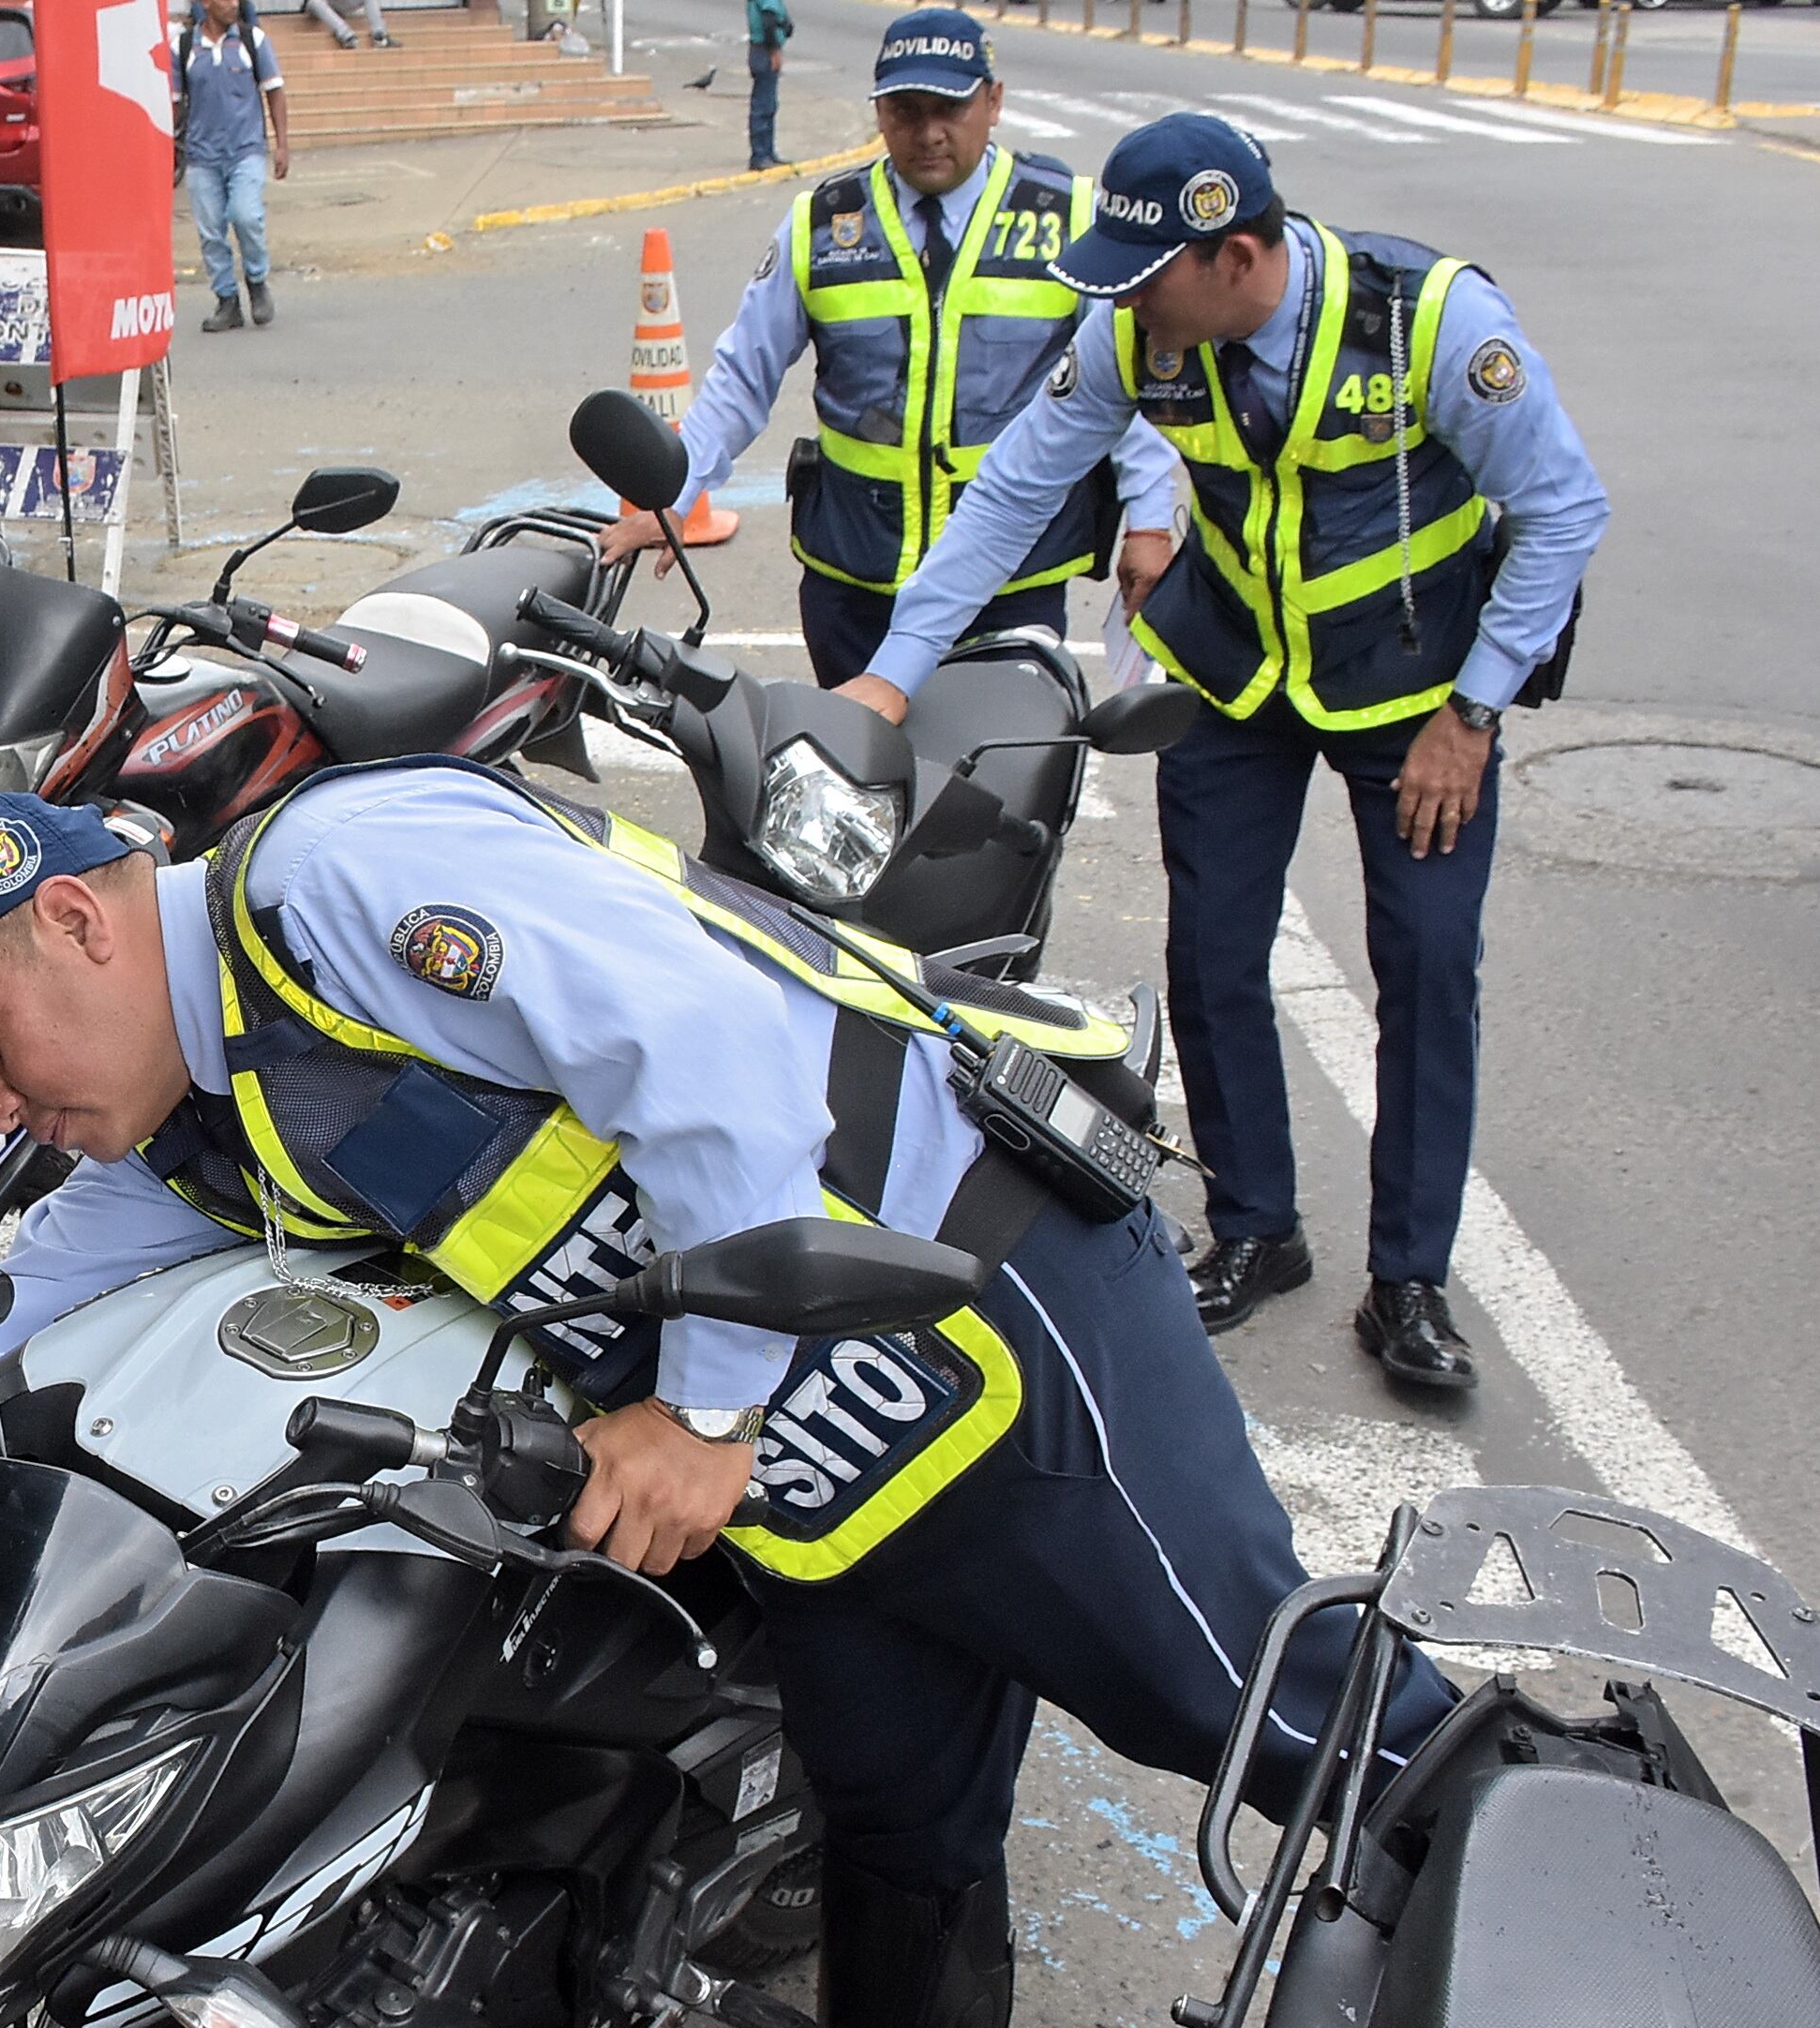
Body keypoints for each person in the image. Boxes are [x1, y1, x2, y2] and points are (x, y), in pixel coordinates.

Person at [0, 773, 1457, 2028]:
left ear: (73, 918)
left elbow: (709, 1058)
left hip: (979, 1313)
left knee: (1287, 1726)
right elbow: (24, 1279)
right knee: (896, 1829)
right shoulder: (202, 1112)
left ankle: (1608, 1931)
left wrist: (702, 1409)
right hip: (818, 1454)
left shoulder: (337, 883)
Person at [828, 114, 1605, 1391]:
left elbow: (1564, 508)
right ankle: (1256, 1229)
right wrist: (891, 676)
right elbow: (1016, 490)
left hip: (1418, 693)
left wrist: (1472, 713)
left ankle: (1408, 1279)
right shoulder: (1146, 331)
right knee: (1216, 948)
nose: (1127, 304)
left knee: (1423, 961)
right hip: (1236, 667)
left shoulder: (1429, 323)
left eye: (1149, 277)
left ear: (1237, 256)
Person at [602, 9, 1181, 689]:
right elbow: (742, 378)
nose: (929, 133)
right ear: (878, 112)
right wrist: (677, 490)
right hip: (855, 575)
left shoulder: (1068, 219)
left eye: (950, 109)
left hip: (1011, 576)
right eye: (907, 111)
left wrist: (1149, 518)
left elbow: (1123, 386)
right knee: (853, 780)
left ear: (993, 103)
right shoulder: (821, 223)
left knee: (999, 781)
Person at [176, 0, 290, 334]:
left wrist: (282, 144)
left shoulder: (252, 41)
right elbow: (174, 103)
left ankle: (256, 280)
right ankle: (227, 301)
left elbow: (275, 91)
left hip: (246, 150)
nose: (234, 5)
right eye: (225, 0)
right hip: (201, 156)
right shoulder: (183, 47)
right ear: (206, 4)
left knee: (245, 216)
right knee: (211, 233)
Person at [744, 0, 789, 171]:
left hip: (762, 50)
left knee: (769, 105)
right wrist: (775, 51)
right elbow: (769, 21)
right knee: (763, 105)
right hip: (764, 51)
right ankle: (760, 155)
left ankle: (768, 152)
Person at [302, 0, 395, 49]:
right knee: (315, 2)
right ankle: (347, 37)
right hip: (319, 6)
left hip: (341, 4)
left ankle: (379, 36)